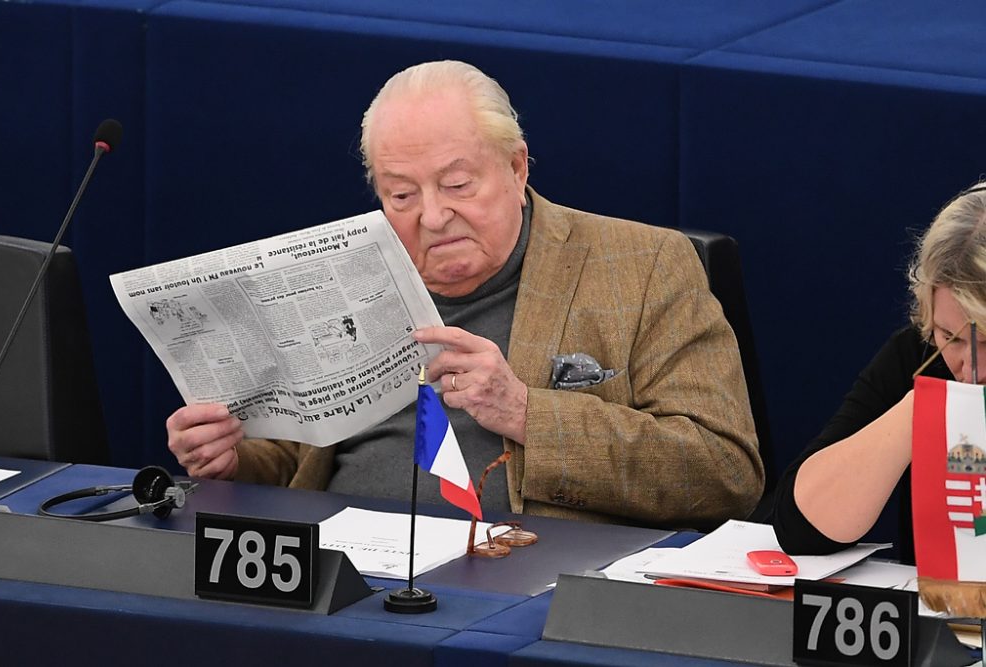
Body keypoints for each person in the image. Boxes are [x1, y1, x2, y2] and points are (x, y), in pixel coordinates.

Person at [166, 60, 763, 529]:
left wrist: (528, 412)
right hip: (340, 567)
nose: (432, 216)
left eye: (456, 184)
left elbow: (723, 471)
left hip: (528, 574)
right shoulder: (341, 276)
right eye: (401, 196)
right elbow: (297, 462)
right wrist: (232, 461)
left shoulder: (643, 267)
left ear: (517, 166)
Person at [773, 184, 986, 564]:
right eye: (949, 337)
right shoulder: (919, 356)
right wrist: (918, 411)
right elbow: (801, 529)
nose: (970, 371)